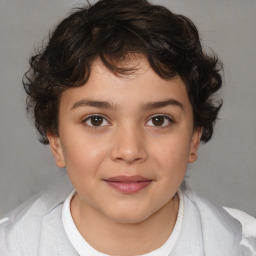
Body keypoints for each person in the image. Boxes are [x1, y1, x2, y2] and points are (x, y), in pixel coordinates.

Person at [0, 0, 255, 255]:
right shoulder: (11, 245)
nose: (130, 151)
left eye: (158, 120)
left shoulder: (239, 244)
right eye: (96, 120)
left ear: (193, 138)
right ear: (56, 141)